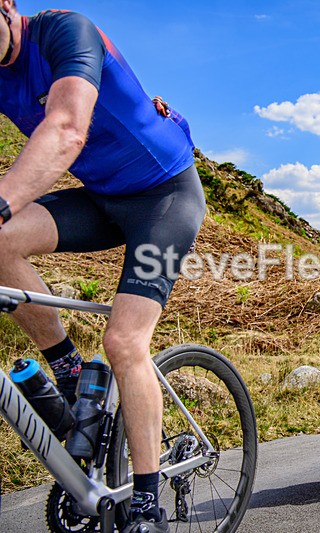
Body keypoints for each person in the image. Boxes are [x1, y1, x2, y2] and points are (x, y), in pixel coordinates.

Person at [0, 3, 205, 531]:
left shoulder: (64, 31)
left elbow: (67, 130)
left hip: (166, 196)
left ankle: (146, 505)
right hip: (104, 198)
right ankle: (69, 374)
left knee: (123, 343)